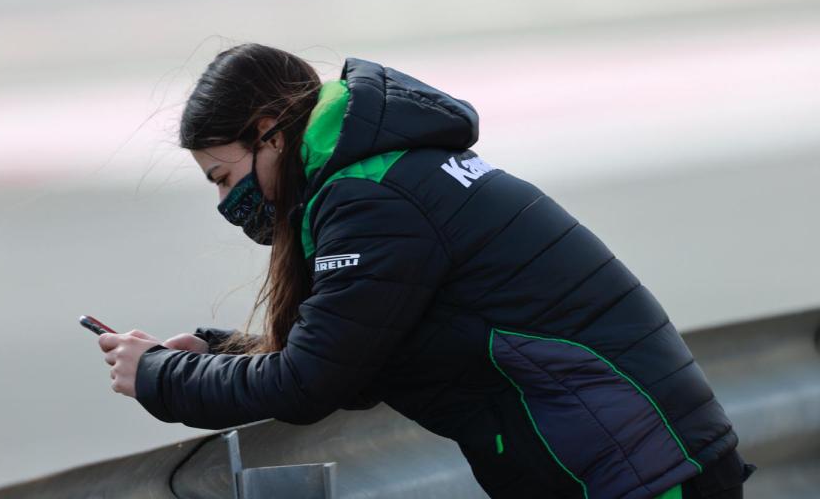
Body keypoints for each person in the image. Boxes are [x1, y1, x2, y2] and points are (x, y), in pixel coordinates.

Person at [96, 43, 755, 498]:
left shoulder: (370, 198)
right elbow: (359, 354)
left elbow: (308, 385)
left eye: (224, 177)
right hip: (634, 462)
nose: (225, 202)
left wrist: (159, 376)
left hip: (633, 471)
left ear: (269, 130)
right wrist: (224, 353)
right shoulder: (382, 172)